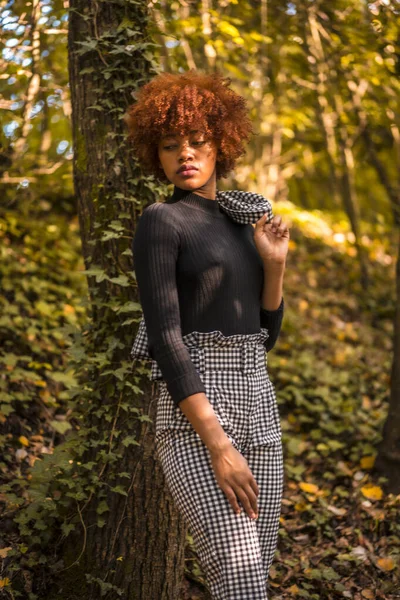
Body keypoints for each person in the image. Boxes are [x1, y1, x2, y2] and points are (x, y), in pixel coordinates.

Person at [125, 69, 290, 600]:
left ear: (222, 143)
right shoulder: (162, 220)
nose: (186, 154)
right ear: (158, 155)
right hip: (197, 409)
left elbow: (265, 335)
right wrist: (217, 443)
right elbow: (166, 338)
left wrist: (275, 266)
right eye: (171, 145)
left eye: (198, 141)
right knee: (239, 571)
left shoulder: (245, 222)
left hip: (259, 401)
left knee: (252, 575)